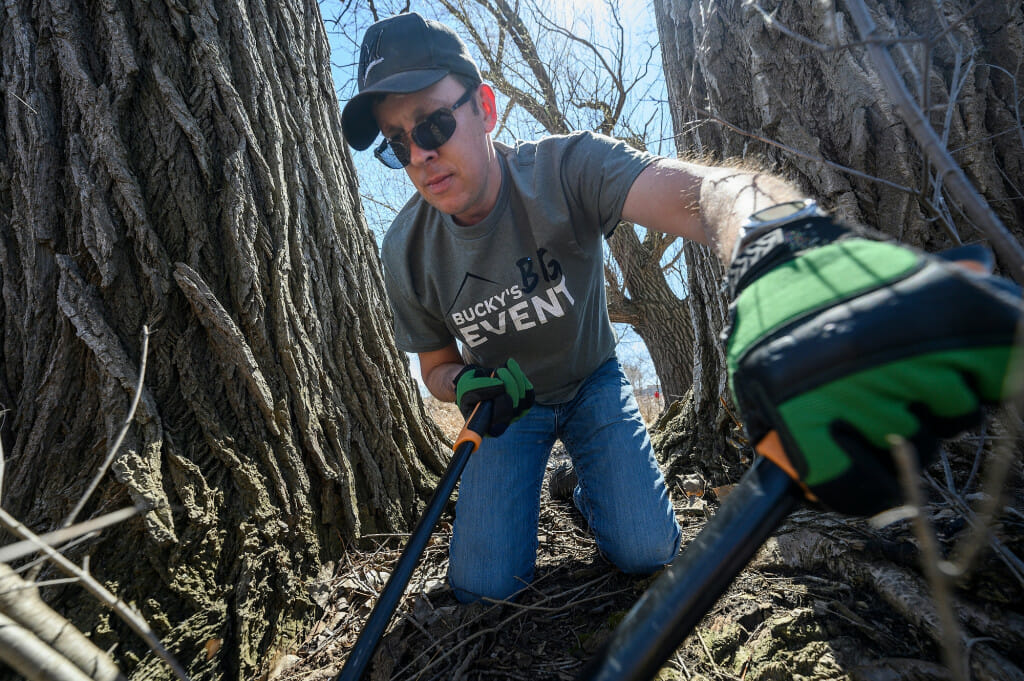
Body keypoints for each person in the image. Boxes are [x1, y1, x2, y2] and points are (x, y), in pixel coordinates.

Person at [341, 12, 1024, 602]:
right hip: (507, 413)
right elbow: (434, 364)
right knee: (485, 588)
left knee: (647, 550)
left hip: (593, 383)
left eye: (432, 123)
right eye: (398, 144)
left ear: (484, 109)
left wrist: (777, 242)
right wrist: (463, 382)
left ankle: (580, 487)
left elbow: (699, 193)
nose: (421, 154)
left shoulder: (564, 168)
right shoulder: (405, 248)